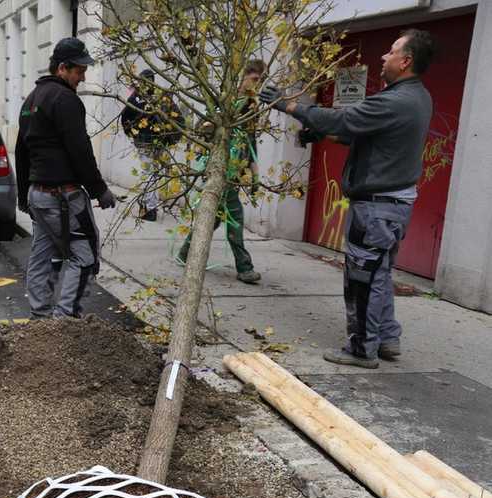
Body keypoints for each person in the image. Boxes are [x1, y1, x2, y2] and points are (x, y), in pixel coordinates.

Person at [261, 29, 435, 368]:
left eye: (391, 51)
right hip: (392, 207)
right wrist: (325, 132)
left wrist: (291, 105)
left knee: (361, 278)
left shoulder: (395, 100)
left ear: (406, 61)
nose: (383, 57)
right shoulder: (417, 97)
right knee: (379, 273)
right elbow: (367, 136)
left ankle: (362, 349)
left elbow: (347, 118)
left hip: (376, 208)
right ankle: (387, 337)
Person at [15, 37, 116, 319]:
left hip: (39, 195)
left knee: (42, 254)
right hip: (63, 196)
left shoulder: (31, 100)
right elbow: (80, 149)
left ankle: (40, 317)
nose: (82, 77)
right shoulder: (66, 100)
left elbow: (21, 151)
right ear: (62, 68)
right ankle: (65, 321)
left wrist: (24, 196)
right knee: (85, 255)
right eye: (79, 71)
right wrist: (99, 189)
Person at [177, 60, 264, 284]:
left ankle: (186, 252)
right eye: (255, 79)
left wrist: (255, 174)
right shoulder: (225, 101)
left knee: (214, 218)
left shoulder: (253, 106)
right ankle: (244, 267)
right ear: (243, 77)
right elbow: (204, 128)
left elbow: (251, 142)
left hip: (234, 171)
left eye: (261, 80)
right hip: (220, 169)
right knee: (235, 216)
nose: (258, 84)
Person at [120, 69, 183, 221]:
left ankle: (150, 208)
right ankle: (148, 205)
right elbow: (179, 118)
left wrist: (133, 134)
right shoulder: (163, 96)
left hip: (145, 142)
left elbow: (125, 118)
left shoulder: (135, 98)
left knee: (149, 174)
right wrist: (171, 139)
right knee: (153, 174)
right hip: (160, 142)